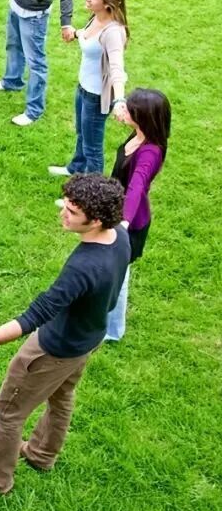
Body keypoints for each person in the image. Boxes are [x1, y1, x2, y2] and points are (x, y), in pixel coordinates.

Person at [0, 174, 130, 494]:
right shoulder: (120, 236)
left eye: (72, 212)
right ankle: (42, 454)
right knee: (62, 397)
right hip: (87, 340)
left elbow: (30, 319)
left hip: (53, 349)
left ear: (97, 220)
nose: (62, 213)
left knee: (9, 412)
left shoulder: (83, 267)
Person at [48, 0, 130, 176]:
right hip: (83, 88)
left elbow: (117, 68)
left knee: (92, 148)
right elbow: (87, 36)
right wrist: (75, 33)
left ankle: (93, 192)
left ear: (107, 3)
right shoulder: (96, 17)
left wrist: (120, 100)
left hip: (96, 97)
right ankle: (76, 168)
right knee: (82, 135)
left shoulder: (113, 32)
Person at [106, 88, 170, 341]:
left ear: (143, 117)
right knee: (108, 269)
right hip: (115, 213)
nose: (124, 110)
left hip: (130, 224)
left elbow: (136, 187)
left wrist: (123, 222)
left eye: (129, 109)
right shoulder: (140, 134)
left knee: (118, 276)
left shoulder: (149, 152)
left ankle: (113, 331)